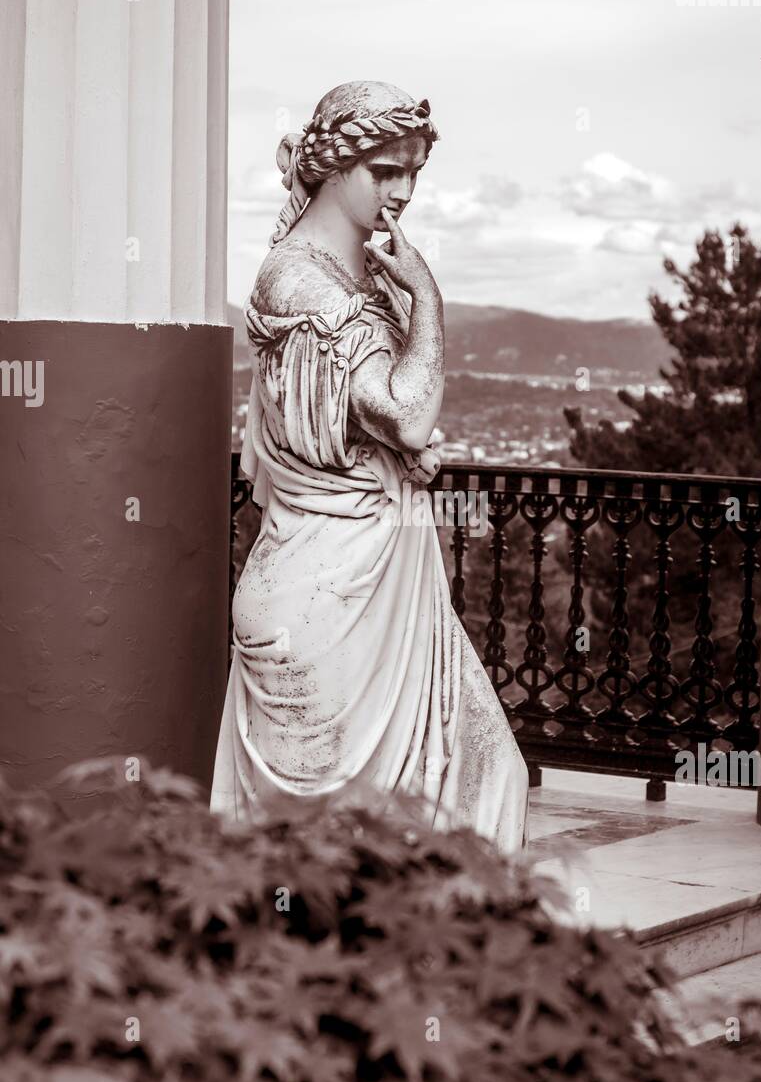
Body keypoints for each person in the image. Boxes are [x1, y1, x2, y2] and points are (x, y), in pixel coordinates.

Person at [210, 80, 529, 855]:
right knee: (330, 848)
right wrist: (427, 296)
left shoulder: (351, 281)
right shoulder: (301, 280)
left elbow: (379, 420)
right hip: (326, 593)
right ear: (332, 164)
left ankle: (441, 966)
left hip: (375, 577)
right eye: (385, 170)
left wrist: (400, 453)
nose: (403, 191)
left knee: (488, 779)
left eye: (413, 170)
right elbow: (407, 407)